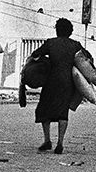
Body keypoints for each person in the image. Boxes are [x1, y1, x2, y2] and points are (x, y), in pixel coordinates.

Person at [25, 17, 88, 153]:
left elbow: (35, 54)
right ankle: (60, 143)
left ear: (57, 31)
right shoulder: (75, 45)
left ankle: (47, 140)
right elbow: (87, 57)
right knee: (62, 112)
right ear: (70, 31)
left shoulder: (51, 43)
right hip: (67, 82)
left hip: (51, 81)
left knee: (44, 110)